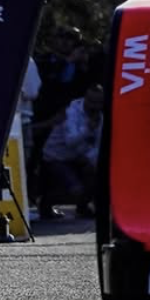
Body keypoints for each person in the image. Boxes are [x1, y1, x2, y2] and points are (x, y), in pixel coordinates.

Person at [40, 83, 104, 220]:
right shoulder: (71, 113)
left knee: (96, 174)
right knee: (75, 189)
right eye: (91, 101)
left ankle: (83, 207)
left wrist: (90, 160)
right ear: (85, 98)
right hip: (56, 157)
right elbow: (70, 141)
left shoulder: (100, 117)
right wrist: (88, 129)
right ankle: (46, 204)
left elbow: (97, 145)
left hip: (77, 157)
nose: (94, 106)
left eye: (98, 103)